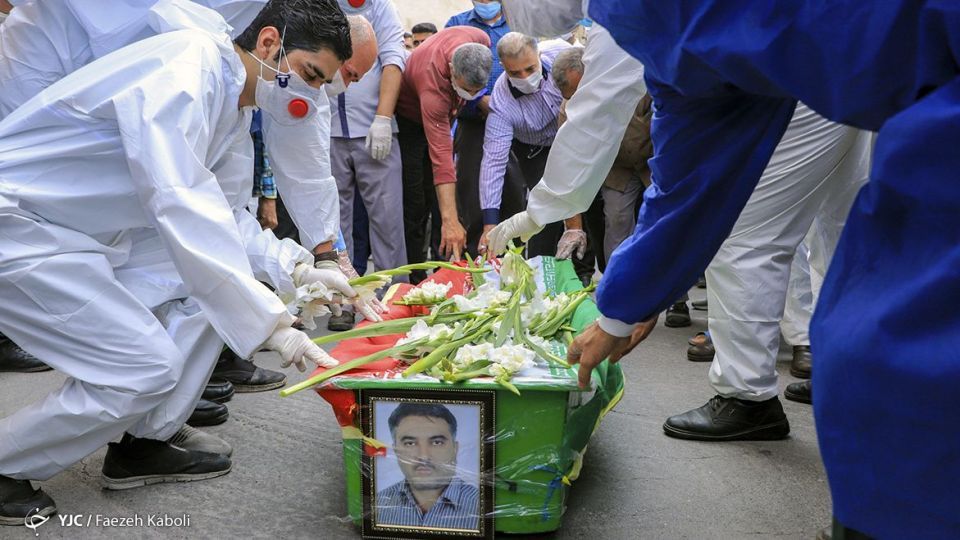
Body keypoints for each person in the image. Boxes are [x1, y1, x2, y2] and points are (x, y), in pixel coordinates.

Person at [507, 1, 960, 536]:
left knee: (768, 246)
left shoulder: (640, 12)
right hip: (871, 77)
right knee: (853, 251)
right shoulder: (644, 18)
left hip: (910, 68)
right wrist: (622, 309)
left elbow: (675, 157)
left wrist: (547, 221)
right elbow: (696, 156)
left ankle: (872, 493)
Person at [0, 0, 355, 523]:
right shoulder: (188, 68)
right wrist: (272, 323)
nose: (310, 93)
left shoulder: (232, 107)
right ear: (268, 44)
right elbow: (178, 198)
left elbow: (226, 216)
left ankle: (143, 438)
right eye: (308, 74)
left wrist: (297, 266)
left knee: (195, 297)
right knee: (142, 366)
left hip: (67, 234)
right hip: (20, 226)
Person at [327, 0, 408, 331]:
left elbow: (393, 60)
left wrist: (383, 118)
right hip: (327, 129)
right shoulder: (324, 6)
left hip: (374, 131)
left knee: (387, 220)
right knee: (333, 222)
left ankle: (395, 297)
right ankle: (341, 300)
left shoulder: (381, 8)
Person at [395, 27, 492, 282]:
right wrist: (451, 222)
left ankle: (446, 274)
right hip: (411, 122)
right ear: (451, 69)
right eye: (465, 89)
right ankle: (417, 277)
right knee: (417, 203)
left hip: (446, 118)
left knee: (446, 205)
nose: (471, 97)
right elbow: (442, 159)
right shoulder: (433, 89)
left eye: (476, 91)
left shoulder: (480, 39)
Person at [549, 46, 652, 273]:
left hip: (656, 161)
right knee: (616, 222)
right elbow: (568, 168)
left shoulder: (636, 79)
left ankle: (676, 297)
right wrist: (573, 227)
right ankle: (618, 288)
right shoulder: (570, 111)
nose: (580, 102)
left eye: (581, 92)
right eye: (573, 98)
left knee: (663, 221)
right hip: (616, 169)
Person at [475, 33, 569, 258]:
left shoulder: (560, 54)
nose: (525, 77)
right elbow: (494, 161)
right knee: (542, 211)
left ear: (540, 54)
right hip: (534, 150)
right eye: (515, 73)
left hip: (571, 137)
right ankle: (540, 268)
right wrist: (490, 221)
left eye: (530, 68)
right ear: (503, 67)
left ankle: (583, 269)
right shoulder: (501, 101)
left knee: (588, 203)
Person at [446, 0, 521, 259]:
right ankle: (478, 262)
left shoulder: (517, 22)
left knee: (514, 195)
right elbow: (450, 76)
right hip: (472, 124)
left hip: (514, 124)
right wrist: (480, 100)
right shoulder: (457, 25)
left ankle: (515, 261)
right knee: (473, 199)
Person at [376, 403, 480, 530]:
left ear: (455, 449)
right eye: (410, 443)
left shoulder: (480, 505)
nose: (424, 456)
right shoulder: (378, 505)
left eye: (436, 442)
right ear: (396, 451)